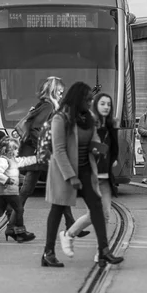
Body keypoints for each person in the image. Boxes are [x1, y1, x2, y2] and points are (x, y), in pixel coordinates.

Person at [42, 82, 123, 268]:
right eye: (87, 99)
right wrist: (71, 177)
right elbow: (59, 150)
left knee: (97, 208)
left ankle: (104, 251)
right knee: (58, 209)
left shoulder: (88, 118)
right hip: (64, 171)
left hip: (86, 169)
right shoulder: (60, 118)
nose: (90, 102)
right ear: (78, 99)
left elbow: (93, 139)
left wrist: (99, 149)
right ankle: (48, 252)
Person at [8, 77, 88, 241]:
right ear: (53, 90)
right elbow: (36, 129)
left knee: (49, 189)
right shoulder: (48, 105)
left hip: (39, 155)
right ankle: (13, 226)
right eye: (59, 91)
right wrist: (47, 143)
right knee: (33, 191)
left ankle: (71, 225)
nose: (61, 94)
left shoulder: (46, 105)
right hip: (40, 155)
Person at [65, 92, 119, 262]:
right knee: (97, 215)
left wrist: (113, 160)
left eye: (108, 104)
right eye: (102, 103)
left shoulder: (111, 125)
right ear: (95, 105)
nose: (106, 107)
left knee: (104, 215)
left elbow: (112, 148)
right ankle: (99, 250)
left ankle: (72, 236)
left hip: (105, 177)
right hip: (92, 176)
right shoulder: (88, 125)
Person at [0, 137, 37, 243]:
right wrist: (7, 180)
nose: (18, 151)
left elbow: (24, 161)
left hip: (7, 190)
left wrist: (37, 158)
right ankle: (19, 232)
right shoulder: (3, 160)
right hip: (6, 190)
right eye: (16, 149)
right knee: (19, 209)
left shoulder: (11, 159)